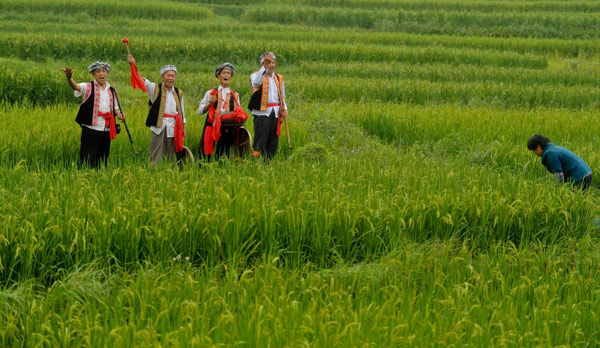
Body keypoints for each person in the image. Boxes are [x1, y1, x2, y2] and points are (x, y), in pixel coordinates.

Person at [127, 54, 187, 166]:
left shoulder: (179, 92)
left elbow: (182, 111)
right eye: (168, 75)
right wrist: (133, 65)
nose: (170, 78)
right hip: (158, 125)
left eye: (173, 76)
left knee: (172, 152)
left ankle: (171, 172)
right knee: (155, 151)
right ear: (162, 77)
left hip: (174, 126)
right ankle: (154, 171)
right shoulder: (154, 88)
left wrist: (184, 127)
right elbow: (140, 80)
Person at [62, 61, 124, 169]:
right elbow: (76, 87)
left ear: (107, 73)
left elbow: (115, 108)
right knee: (87, 158)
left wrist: (119, 114)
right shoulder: (88, 87)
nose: (101, 74)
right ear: (93, 74)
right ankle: (85, 178)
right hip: (91, 129)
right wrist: (69, 78)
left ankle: (100, 179)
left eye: (104, 71)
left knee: (102, 158)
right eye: (98, 72)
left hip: (106, 129)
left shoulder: (112, 90)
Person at [198, 63, 249, 161]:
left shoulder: (235, 95)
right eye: (223, 73)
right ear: (218, 76)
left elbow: (238, 113)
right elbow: (200, 111)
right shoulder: (211, 93)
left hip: (227, 127)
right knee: (205, 151)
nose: (226, 75)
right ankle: (202, 169)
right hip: (212, 125)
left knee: (224, 152)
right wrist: (209, 103)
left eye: (228, 73)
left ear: (231, 77)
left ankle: (220, 170)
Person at [248, 52, 288, 160]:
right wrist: (264, 68)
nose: (272, 65)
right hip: (262, 113)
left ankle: (269, 162)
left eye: (273, 62)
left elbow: (282, 96)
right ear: (263, 63)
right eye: (269, 62)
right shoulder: (256, 75)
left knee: (273, 140)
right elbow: (256, 84)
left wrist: (285, 109)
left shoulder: (279, 78)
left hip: (275, 113)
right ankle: (256, 161)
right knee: (261, 139)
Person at [527, 134, 592, 191]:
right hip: (586, 173)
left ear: (538, 147)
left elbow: (559, 175)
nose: (534, 153)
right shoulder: (553, 149)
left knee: (574, 200)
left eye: (533, 150)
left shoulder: (550, 154)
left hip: (580, 177)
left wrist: (558, 191)